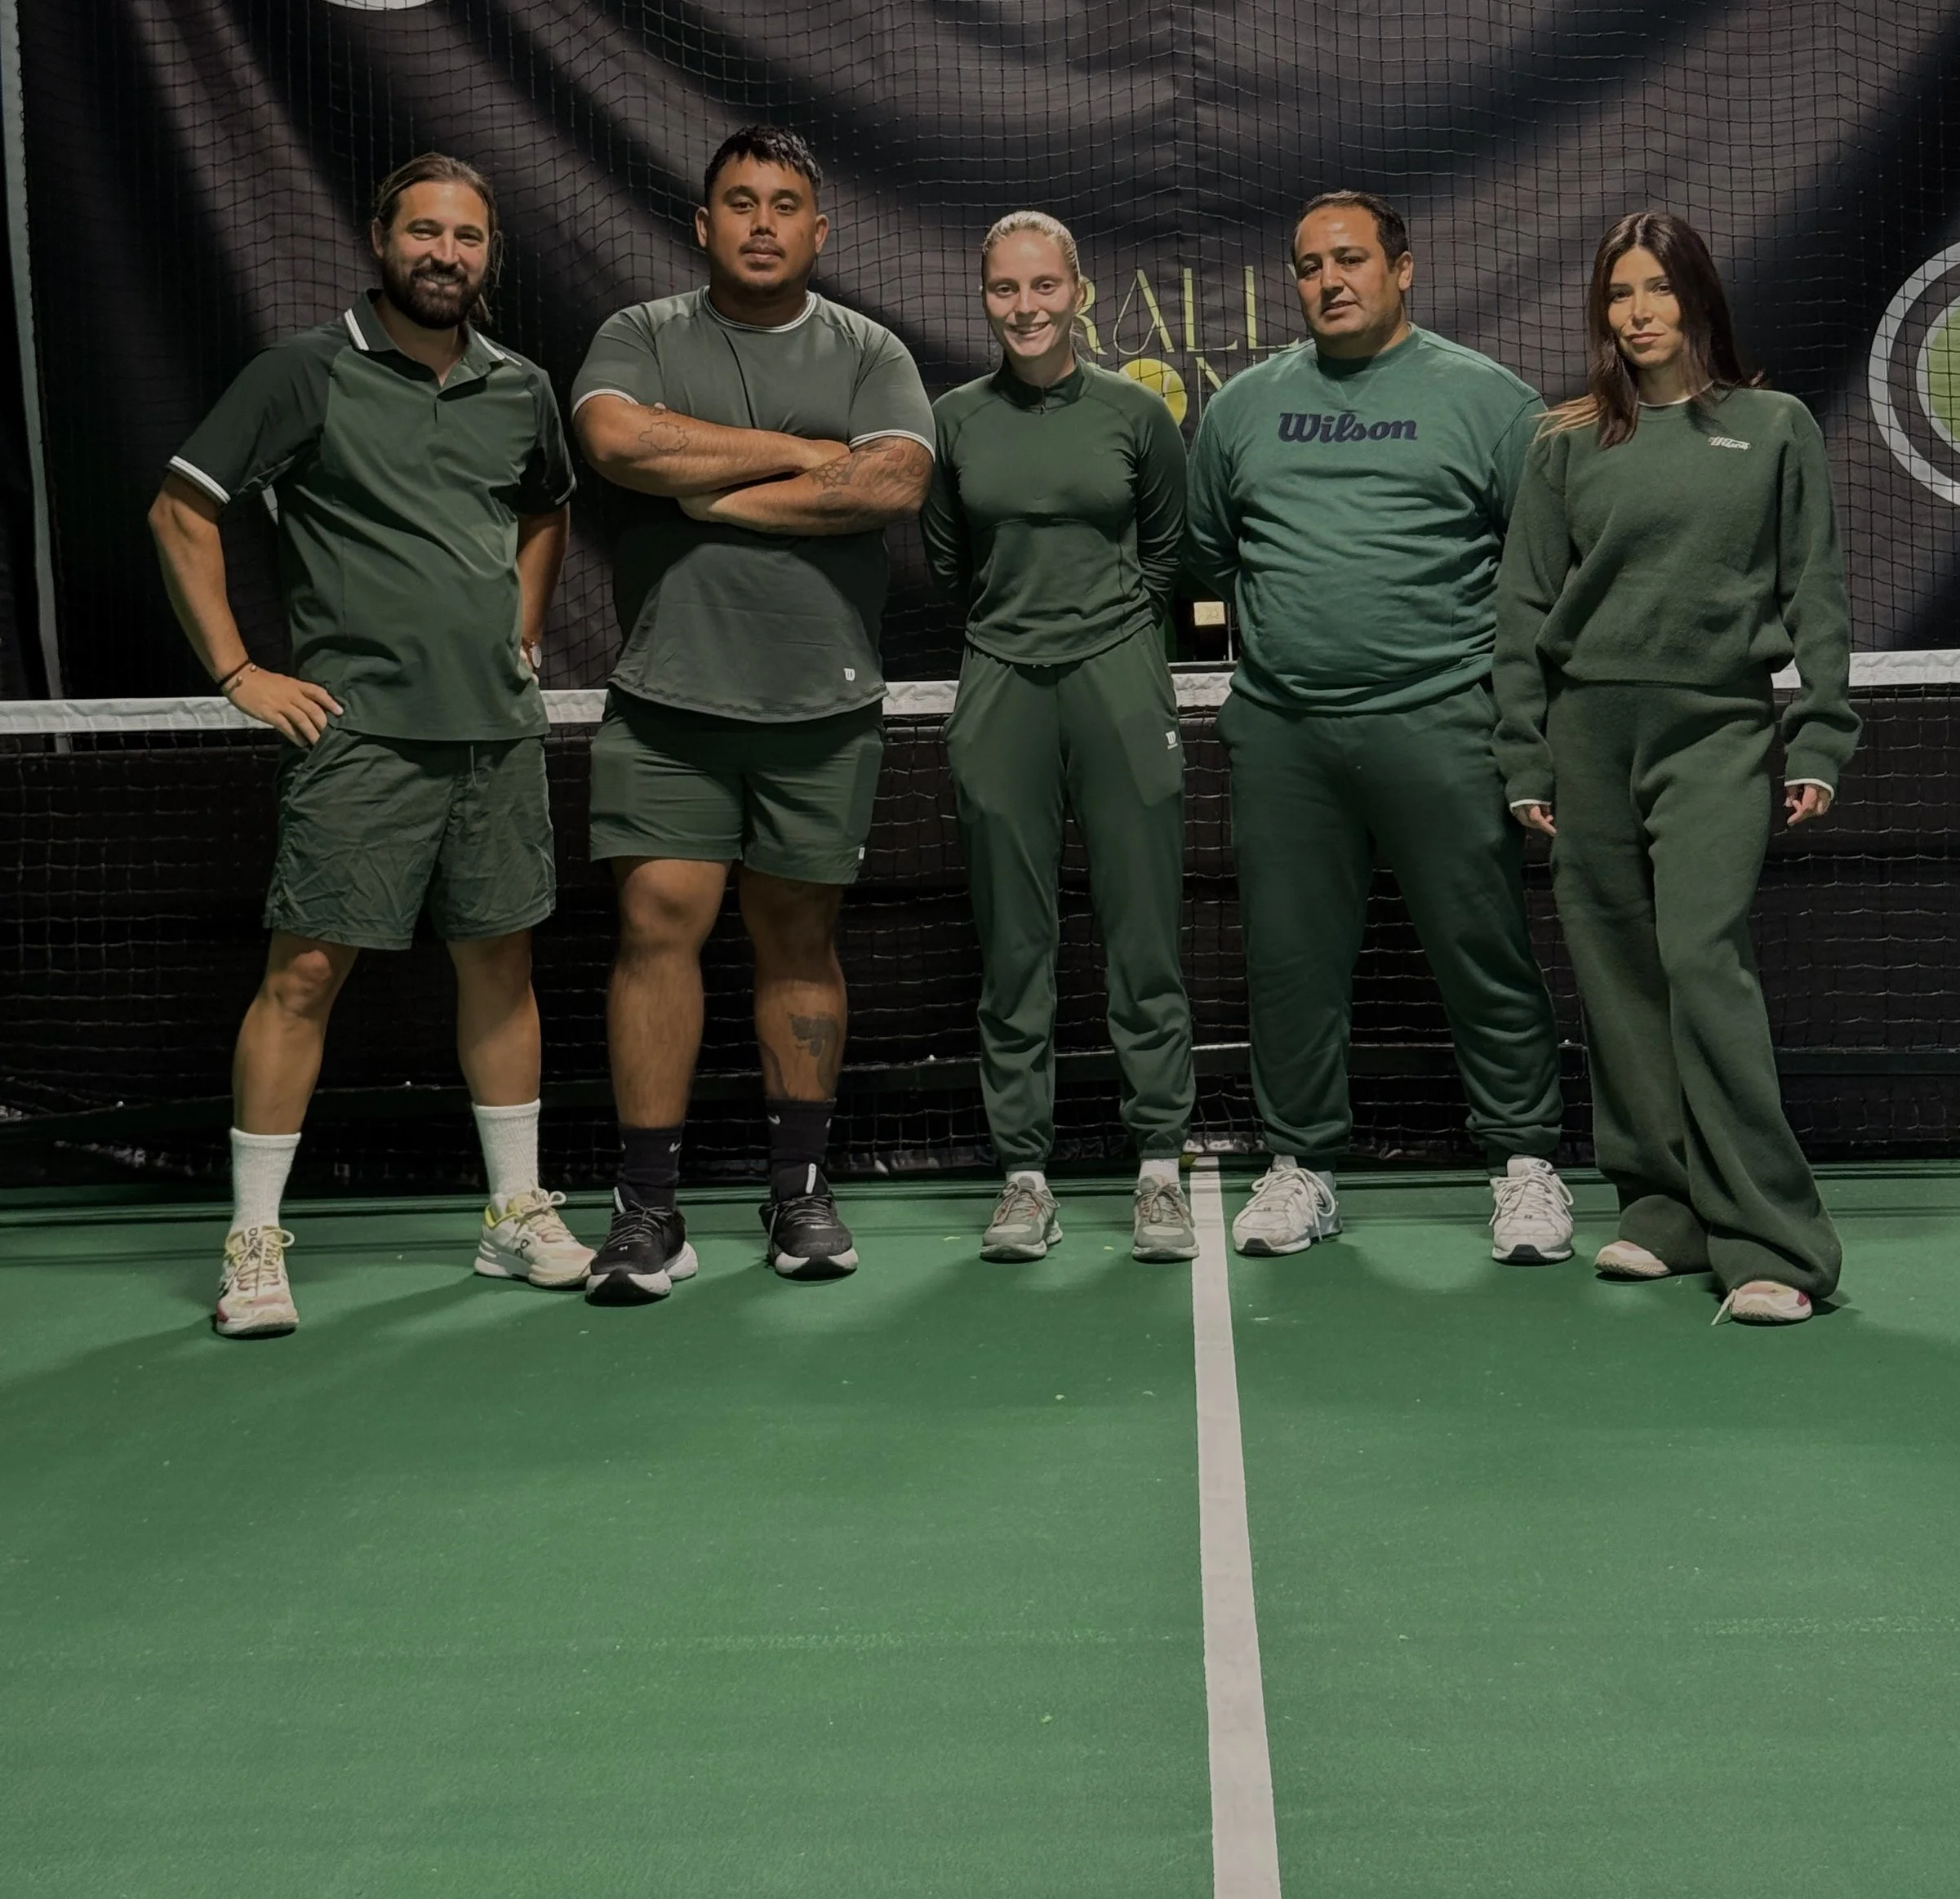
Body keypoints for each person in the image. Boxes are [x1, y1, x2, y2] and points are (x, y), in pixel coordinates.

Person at [149, 155, 588, 1337]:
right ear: (382, 240)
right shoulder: (305, 370)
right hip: (359, 742)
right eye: (425, 232)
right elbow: (181, 511)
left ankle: (513, 1214)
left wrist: (523, 629)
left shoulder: (522, 386)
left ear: (490, 255)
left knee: (502, 968)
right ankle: (252, 1243)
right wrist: (239, 673)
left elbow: (546, 510)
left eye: (468, 236)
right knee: (301, 978)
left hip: (496, 736)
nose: (446, 253)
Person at [571, 127, 934, 1301]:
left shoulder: (870, 349)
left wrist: (709, 494)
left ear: (818, 231)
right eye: (740, 202)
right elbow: (617, 439)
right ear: (703, 223)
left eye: (784, 205)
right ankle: (647, 1210)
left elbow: (891, 479)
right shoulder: (641, 334)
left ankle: (800, 1192)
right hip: (665, 703)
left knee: (799, 942)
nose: (762, 223)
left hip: (823, 707)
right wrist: (794, 456)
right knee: (655, 930)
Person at [1185, 191, 1573, 1264]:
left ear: (1402, 269)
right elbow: (1208, 554)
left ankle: (1525, 1165)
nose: (1330, 281)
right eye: (1310, 265)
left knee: (1483, 950)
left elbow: (1542, 567)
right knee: (1289, 962)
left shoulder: (1489, 401)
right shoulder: (1242, 409)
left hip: (1444, 718)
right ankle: (1300, 1165)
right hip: (1284, 734)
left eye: (1351, 259)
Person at [1493, 211, 1856, 1325]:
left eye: (1656, 288)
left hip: (1717, 733)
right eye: (1618, 293)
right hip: (1587, 741)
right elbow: (1523, 607)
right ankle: (1662, 1209)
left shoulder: (1775, 426)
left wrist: (1821, 735)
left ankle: (1777, 1243)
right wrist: (1525, 756)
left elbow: (1814, 590)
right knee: (1616, 977)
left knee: (1701, 962)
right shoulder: (1564, 440)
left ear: (1697, 296)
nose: (1637, 312)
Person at [922, 213, 1199, 1264]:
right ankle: (1024, 1176)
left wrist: (1111, 629)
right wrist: (1019, 628)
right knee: (1013, 942)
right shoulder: (953, 419)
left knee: (1144, 934)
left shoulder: (1138, 413)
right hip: (999, 681)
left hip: (1119, 677)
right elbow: (948, 561)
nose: (1025, 307)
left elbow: (1168, 547)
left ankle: (1160, 1170)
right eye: (1005, 289)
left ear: (1078, 294)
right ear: (984, 297)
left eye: (1044, 286)